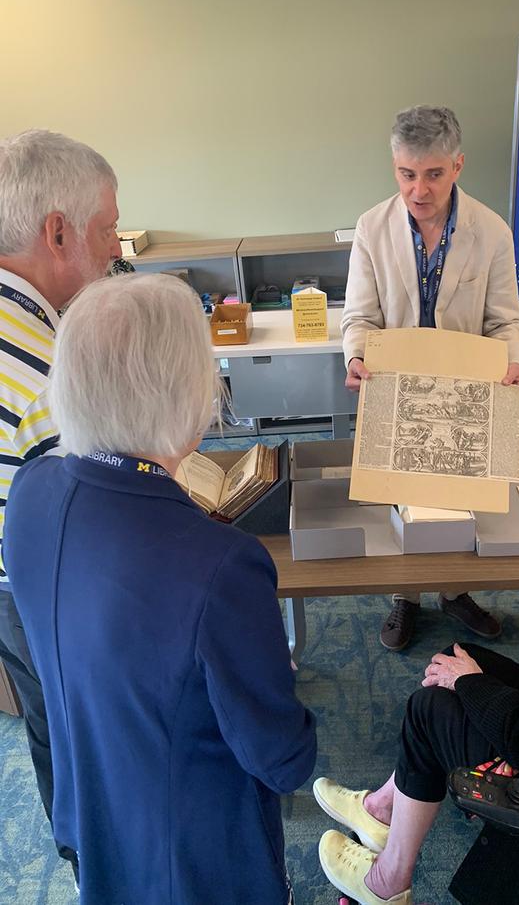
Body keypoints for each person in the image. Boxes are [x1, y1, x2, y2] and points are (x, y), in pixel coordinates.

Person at [3, 273, 317, 905]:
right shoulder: (224, 563)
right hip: (194, 860)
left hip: (92, 817)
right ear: (186, 393)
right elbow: (282, 759)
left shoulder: (30, 491)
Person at [341, 106, 519, 651]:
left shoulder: (491, 231)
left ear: (458, 165)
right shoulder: (372, 229)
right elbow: (359, 316)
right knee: (403, 495)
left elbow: (504, 320)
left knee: (458, 494)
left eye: (434, 174)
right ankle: (407, 595)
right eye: (406, 174)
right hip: (396, 383)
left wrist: (512, 359)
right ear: (394, 167)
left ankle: (454, 591)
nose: (418, 189)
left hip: (465, 385)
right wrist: (355, 357)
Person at [313, 589, 519, 905]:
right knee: (455, 656)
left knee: (429, 709)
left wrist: (469, 683)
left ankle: (387, 882)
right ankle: (383, 809)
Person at [0, 129, 121, 880]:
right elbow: (92, 539)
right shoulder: (47, 378)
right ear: (58, 232)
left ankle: (80, 855)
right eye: (107, 229)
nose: (113, 250)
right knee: (81, 737)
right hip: (42, 593)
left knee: (50, 733)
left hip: (7, 587)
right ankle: (101, 864)